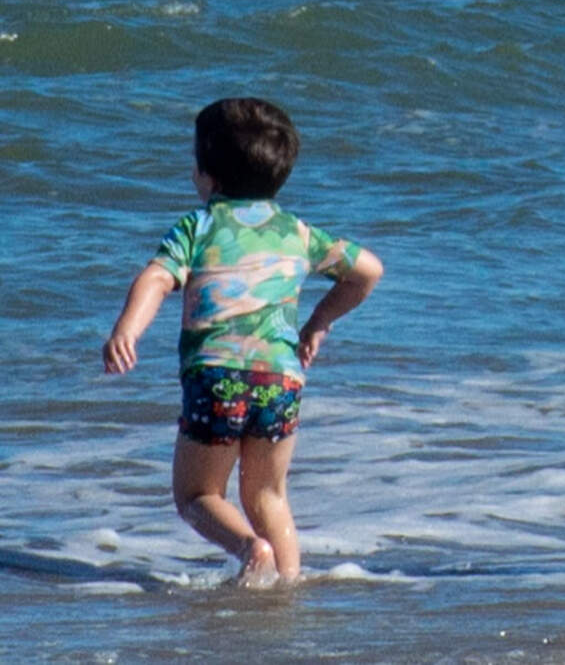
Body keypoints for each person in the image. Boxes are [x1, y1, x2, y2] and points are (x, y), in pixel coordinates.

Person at [102, 98, 384, 587]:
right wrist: (318, 322)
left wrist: (128, 329)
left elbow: (157, 278)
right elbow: (367, 271)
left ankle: (250, 549)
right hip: (281, 380)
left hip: (217, 378)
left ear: (208, 177)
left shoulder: (198, 227)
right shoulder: (297, 233)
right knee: (268, 495)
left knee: (196, 495)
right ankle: (287, 589)